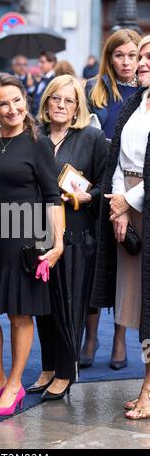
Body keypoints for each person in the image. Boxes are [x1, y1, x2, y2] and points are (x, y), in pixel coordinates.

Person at [0, 72, 64, 416]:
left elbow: (52, 197)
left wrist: (58, 242)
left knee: (20, 313)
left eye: (17, 101)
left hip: (23, 239)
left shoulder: (39, 143)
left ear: (26, 103)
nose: (12, 108)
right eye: (3, 103)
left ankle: (15, 385)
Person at [27, 75, 107, 400]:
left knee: (68, 305)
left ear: (78, 108)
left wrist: (86, 198)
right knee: (41, 305)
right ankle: (47, 368)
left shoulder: (93, 138)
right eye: (55, 99)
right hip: (36, 232)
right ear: (46, 102)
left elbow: (106, 185)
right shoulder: (34, 136)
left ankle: (65, 372)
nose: (61, 105)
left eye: (69, 101)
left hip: (76, 234)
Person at [92, 35, 150, 419]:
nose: (142, 63)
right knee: (139, 302)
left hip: (142, 201)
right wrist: (119, 206)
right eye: (140, 57)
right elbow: (117, 161)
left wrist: (128, 201)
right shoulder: (136, 102)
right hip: (128, 205)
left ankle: (149, 389)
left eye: (147, 57)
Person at [82, 28, 142, 370]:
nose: (126, 62)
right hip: (94, 184)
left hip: (127, 188)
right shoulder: (95, 88)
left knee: (124, 263)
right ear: (109, 56)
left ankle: (119, 338)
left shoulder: (143, 92)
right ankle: (91, 336)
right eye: (119, 55)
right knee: (94, 264)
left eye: (132, 55)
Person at [32, 51, 57, 116]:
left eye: (42, 62)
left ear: (52, 63)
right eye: (39, 62)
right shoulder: (40, 79)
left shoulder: (55, 81)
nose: (39, 65)